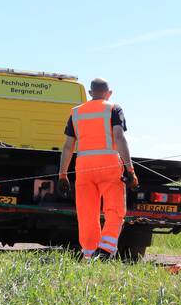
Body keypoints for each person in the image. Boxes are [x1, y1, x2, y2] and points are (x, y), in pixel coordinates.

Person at [58, 78, 138, 260]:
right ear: (108, 93)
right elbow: (119, 137)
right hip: (109, 164)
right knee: (115, 209)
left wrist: (63, 174)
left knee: (86, 211)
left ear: (90, 92)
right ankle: (106, 248)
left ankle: (89, 252)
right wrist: (130, 169)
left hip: (84, 167)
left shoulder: (76, 113)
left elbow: (68, 146)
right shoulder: (113, 108)